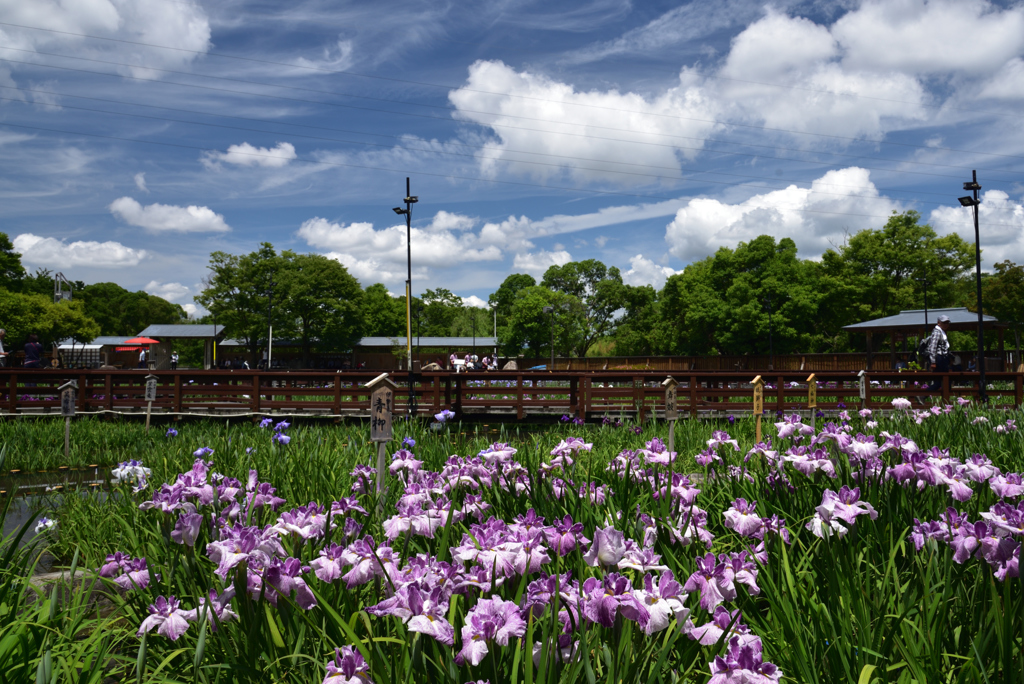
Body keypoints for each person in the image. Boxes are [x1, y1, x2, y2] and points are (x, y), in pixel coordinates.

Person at [925, 314, 951, 397]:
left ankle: (945, 399)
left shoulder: (941, 331)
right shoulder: (937, 332)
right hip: (939, 358)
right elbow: (933, 347)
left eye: (947, 322)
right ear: (939, 323)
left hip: (942, 358)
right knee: (942, 381)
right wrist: (933, 361)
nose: (946, 324)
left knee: (944, 381)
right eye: (944, 322)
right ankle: (924, 395)